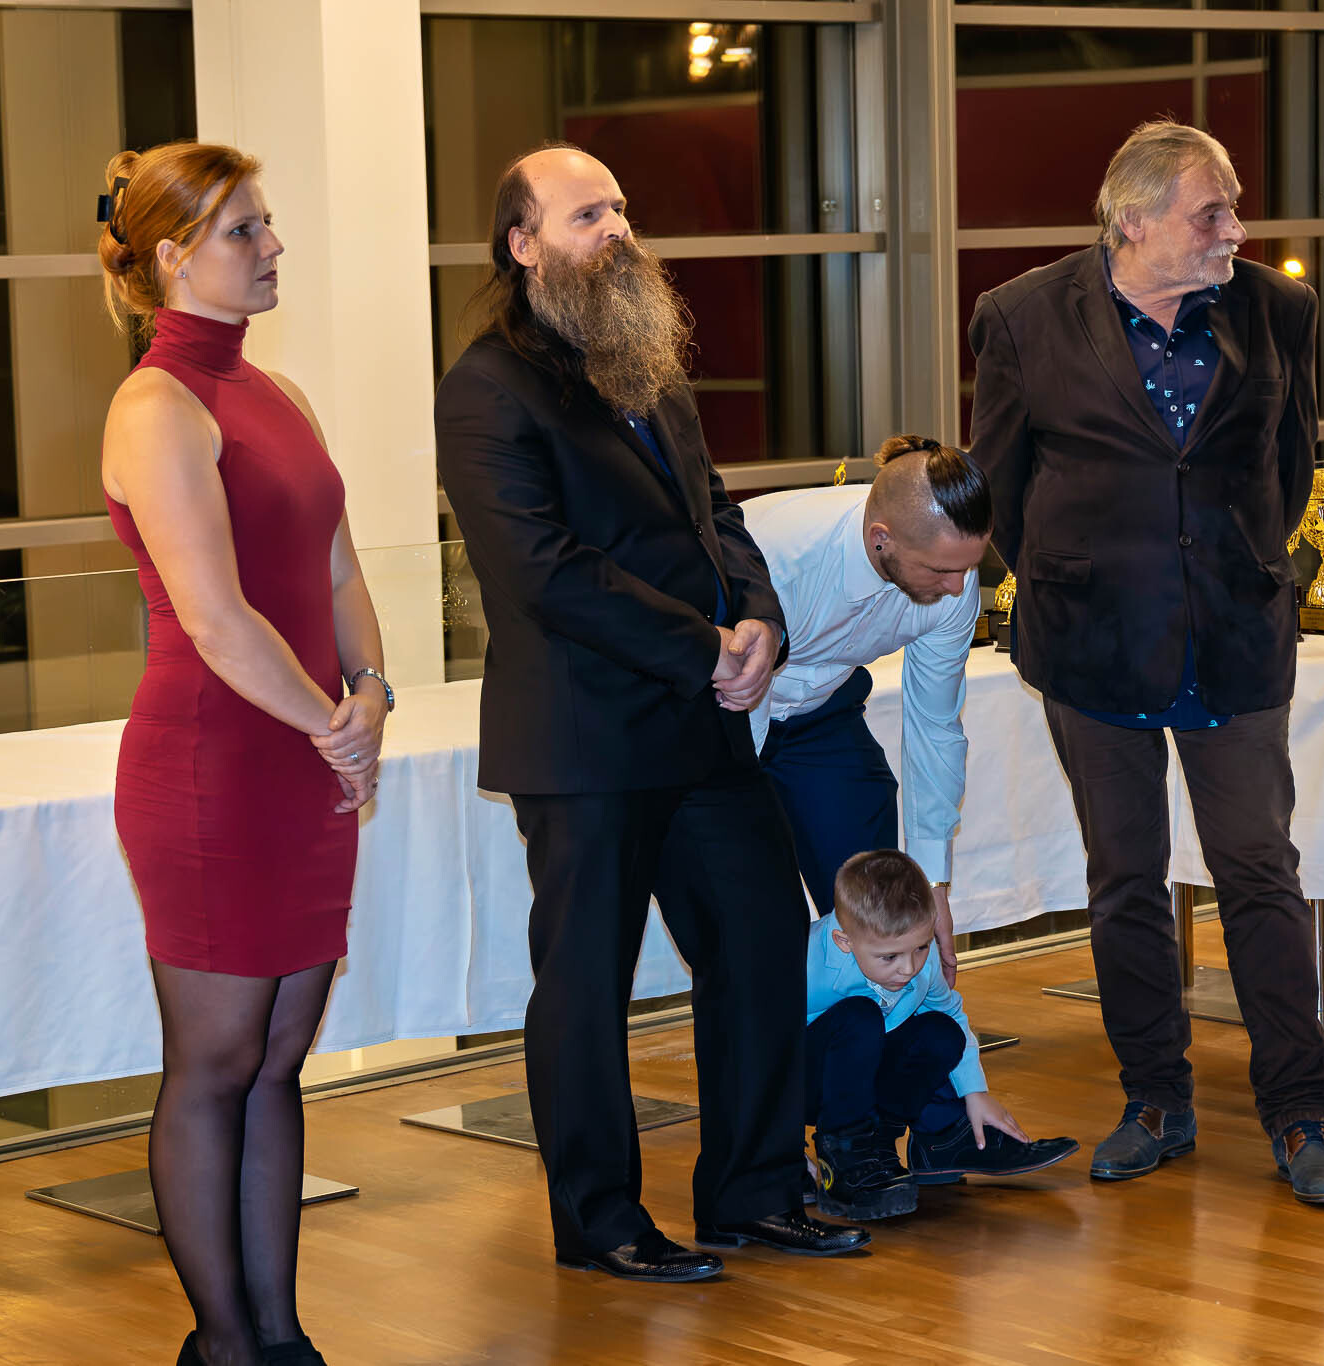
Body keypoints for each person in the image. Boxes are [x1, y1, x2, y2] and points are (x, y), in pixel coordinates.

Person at [433, 143, 867, 1282]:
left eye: (620, 207)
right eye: (586, 215)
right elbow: (542, 571)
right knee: (586, 986)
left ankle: (755, 1192)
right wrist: (700, 647)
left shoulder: (645, 366)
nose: (617, 230)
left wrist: (759, 619)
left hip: (702, 725)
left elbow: (715, 514)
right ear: (523, 245)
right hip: (585, 741)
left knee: (760, 941)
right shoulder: (485, 388)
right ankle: (601, 1222)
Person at [966, 120, 1324, 1205]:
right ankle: (1153, 1101)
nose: (1236, 230)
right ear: (1132, 221)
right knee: (1124, 880)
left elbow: (1290, 469)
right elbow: (998, 485)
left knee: (1259, 873)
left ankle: (1300, 1112)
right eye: (1210, 212)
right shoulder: (1021, 317)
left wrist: (1237, 567)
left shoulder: (1276, 311)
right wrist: (1077, 579)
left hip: (1234, 637)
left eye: (1233, 206)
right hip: (1092, 645)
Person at [98, 140, 388, 1366]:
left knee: (277, 1063)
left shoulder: (281, 395)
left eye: (265, 225)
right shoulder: (154, 407)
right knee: (214, 1065)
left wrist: (370, 692)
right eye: (243, 231)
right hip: (214, 766)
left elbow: (338, 569)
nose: (272, 246)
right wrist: (333, 728)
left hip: (305, 756)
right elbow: (215, 619)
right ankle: (221, 1343)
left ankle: (281, 1334)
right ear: (173, 257)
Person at [731, 434, 991, 990]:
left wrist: (933, 886)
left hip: (822, 713)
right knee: (753, 910)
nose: (957, 588)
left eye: (968, 568)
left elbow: (935, 725)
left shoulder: (955, 578)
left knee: (879, 902)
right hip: (723, 715)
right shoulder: (782, 558)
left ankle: (878, 1033)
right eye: (939, 570)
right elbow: (736, 701)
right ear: (881, 539)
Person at [805, 850, 1077, 1220]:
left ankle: (878, 1146)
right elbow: (760, 1049)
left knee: (941, 1032)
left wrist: (975, 1093)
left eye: (921, 947)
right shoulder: (808, 964)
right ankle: (843, 1161)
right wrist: (780, 1148)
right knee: (860, 1016)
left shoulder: (921, 959)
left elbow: (951, 1012)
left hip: (863, 1075)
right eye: (890, 957)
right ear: (844, 941)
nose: (909, 968)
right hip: (804, 1084)